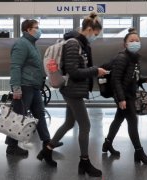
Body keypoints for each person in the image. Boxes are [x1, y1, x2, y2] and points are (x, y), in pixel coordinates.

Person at [36, 12, 107, 177]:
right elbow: (74, 71)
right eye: (95, 34)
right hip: (72, 90)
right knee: (86, 126)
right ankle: (84, 162)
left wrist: (93, 70)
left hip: (74, 89)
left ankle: (47, 150)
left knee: (69, 123)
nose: (95, 38)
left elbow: (77, 67)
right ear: (89, 29)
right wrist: (95, 70)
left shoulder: (80, 44)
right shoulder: (74, 44)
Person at [7, 19, 62, 156]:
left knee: (40, 114)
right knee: (19, 116)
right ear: (27, 30)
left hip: (34, 86)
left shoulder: (31, 44)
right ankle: (12, 146)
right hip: (25, 86)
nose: (39, 30)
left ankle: (47, 142)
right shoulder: (21, 44)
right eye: (36, 28)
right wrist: (16, 88)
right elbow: (15, 66)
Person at [102, 28, 147, 165]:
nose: (135, 43)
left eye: (137, 40)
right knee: (132, 122)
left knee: (118, 120)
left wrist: (144, 79)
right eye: (131, 41)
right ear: (125, 44)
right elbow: (116, 80)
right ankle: (139, 152)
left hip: (129, 93)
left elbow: (132, 77)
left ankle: (107, 144)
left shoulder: (134, 58)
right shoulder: (122, 58)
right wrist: (121, 99)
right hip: (124, 95)